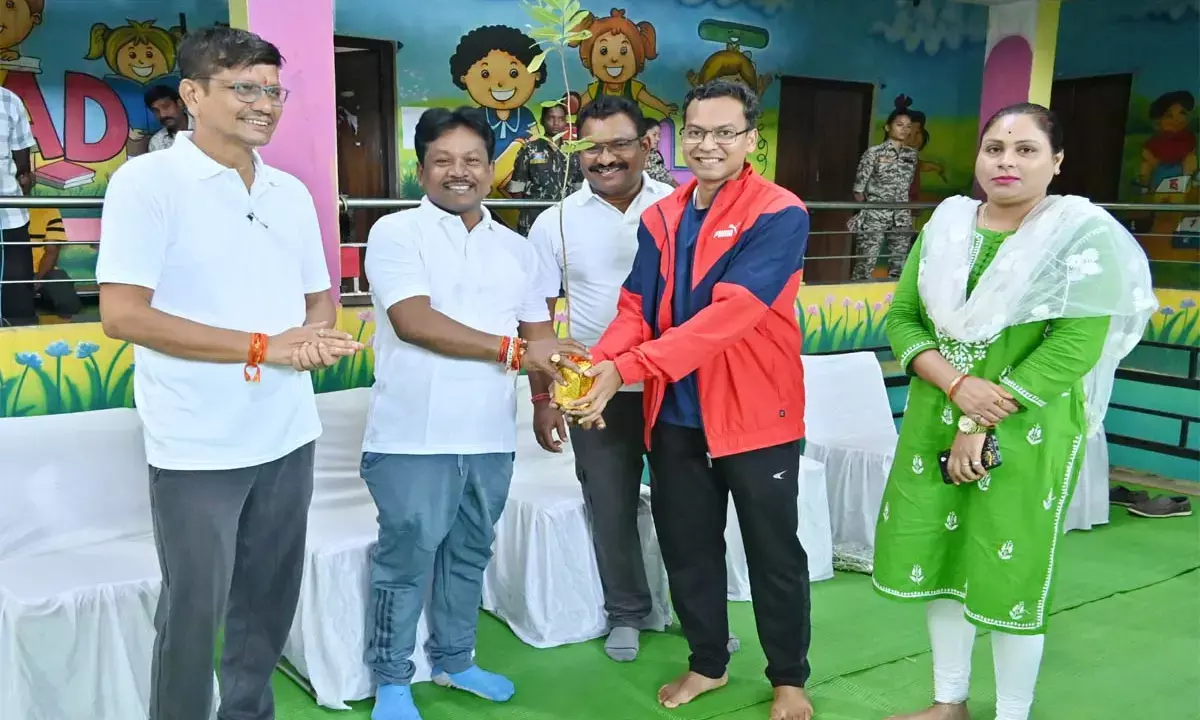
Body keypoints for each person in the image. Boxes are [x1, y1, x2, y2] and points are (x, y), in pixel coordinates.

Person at [95, 26, 364, 720]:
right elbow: (123, 315)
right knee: (194, 613)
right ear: (192, 94)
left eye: (274, 90)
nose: (265, 104)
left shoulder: (290, 192)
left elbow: (317, 299)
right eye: (245, 87)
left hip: (287, 431)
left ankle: (249, 712)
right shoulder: (147, 182)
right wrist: (261, 347)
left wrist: (312, 338)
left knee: (268, 601)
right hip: (196, 444)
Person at [872, 103, 1155, 720]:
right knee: (942, 560)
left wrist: (979, 417)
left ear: (1056, 163)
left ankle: (1011, 714)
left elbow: (1074, 348)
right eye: (994, 148)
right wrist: (955, 388)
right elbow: (902, 317)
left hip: (1028, 424)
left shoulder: (1080, 236)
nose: (1006, 162)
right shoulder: (946, 225)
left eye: (1025, 150)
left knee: (1009, 563)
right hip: (936, 415)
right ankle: (949, 702)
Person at [562, 79, 815, 720]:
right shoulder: (662, 215)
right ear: (679, 139)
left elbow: (729, 318)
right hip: (675, 417)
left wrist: (628, 368)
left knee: (773, 550)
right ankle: (708, 663)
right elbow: (635, 308)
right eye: (697, 131)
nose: (708, 144)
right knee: (688, 546)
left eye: (725, 131)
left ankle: (788, 677)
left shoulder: (780, 213)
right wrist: (602, 367)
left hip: (758, 418)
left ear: (751, 139)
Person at [361, 105, 587, 720]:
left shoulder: (516, 248)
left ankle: (456, 661)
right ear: (421, 167)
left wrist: (544, 402)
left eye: (471, 160)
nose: (458, 173)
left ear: (491, 167)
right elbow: (414, 323)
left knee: (468, 553)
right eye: (443, 161)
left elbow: (538, 328)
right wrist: (517, 352)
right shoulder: (395, 233)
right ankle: (391, 678)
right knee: (406, 560)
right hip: (412, 435)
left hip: (490, 434)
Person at [527, 94, 674, 662]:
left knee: (686, 504)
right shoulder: (556, 221)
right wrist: (543, 395)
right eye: (592, 147)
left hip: (674, 384)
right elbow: (536, 310)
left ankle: (694, 608)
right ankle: (628, 612)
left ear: (647, 144)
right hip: (594, 392)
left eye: (619, 144)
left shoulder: (680, 207)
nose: (605, 158)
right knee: (609, 503)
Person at [850, 95, 918, 280]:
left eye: (908, 126)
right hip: (875, 215)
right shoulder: (874, 153)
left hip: (901, 215)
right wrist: (873, 207)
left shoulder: (911, 155)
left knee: (900, 265)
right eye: (899, 124)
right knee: (866, 263)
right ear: (888, 127)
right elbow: (858, 191)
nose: (904, 129)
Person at [507, 100, 582, 236]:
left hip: (566, 220)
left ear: (566, 122)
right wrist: (529, 210)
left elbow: (579, 189)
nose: (556, 123)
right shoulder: (530, 149)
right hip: (535, 219)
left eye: (560, 119)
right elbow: (516, 189)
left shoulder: (572, 152)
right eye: (551, 118)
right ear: (542, 121)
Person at [0, 84, 36, 326]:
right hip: (10, 212)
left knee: (16, 302)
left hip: (10, 217)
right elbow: (22, 167)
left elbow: (23, 168)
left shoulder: (9, 100)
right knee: (15, 299)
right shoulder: (8, 100)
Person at [29, 206, 83, 320]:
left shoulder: (48, 209)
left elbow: (52, 252)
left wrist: (37, 280)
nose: (22, 186)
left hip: (41, 271)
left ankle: (71, 332)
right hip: (9, 271)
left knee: (60, 283)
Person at [144, 84, 191, 152]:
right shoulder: (157, 142)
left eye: (166, 107)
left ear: (179, 103)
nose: (162, 115)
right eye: (156, 111)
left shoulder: (205, 128)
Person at [642, 118, 678, 187]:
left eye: (659, 136)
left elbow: (666, 177)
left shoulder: (655, 155)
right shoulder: (634, 155)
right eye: (654, 135)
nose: (658, 139)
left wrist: (681, 192)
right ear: (643, 133)